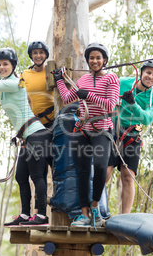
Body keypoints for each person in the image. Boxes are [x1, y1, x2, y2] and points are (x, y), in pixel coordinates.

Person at [0, 35, 51, 226]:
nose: (2, 67)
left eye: (5, 64)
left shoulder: (14, 82)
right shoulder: (6, 84)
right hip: (28, 137)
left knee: (37, 176)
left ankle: (41, 215)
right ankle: (26, 214)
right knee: (21, 176)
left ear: (13, 65)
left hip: (37, 134)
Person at [52, 43, 120, 227]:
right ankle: (83, 215)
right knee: (81, 171)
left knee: (99, 168)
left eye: (98, 58)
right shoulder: (82, 80)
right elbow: (67, 98)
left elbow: (110, 106)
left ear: (104, 60)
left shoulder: (112, 79)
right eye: (92, 58)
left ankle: (95, 209)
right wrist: (59, 80)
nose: (95, 61)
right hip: (82, 130)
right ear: (88, 61)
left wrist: (87, 95)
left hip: (102, 130)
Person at [106, 59, 153, 214]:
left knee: (128, 176)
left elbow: (147, 118)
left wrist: (132, 104)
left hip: (132, 136)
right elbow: (105, 87)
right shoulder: (123, 82)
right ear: (142, 73)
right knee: (105, 172)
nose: (150, 76)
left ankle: (125, 217)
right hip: (113, 132)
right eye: (148, 72)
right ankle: (96, 209)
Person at [22, 41, 55, 128]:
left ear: (46, 55)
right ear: (31, 55)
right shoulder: (24, 74)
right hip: (33, 123)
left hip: (53, 121)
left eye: (41, 52)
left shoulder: (51, 72)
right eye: (35, 53)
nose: (38, 56)